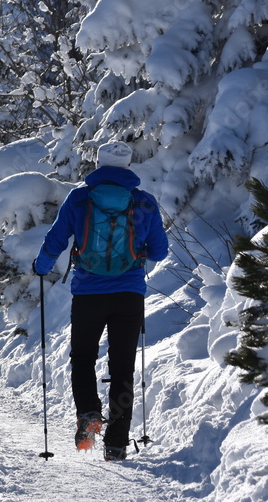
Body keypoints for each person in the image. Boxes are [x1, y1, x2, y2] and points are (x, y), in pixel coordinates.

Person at [33, 141, 168, 461]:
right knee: (122, 368)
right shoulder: (145, 202)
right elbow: (160, 252)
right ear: (128, 165)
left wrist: (40, 266)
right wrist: (137, 255)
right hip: (129, 294)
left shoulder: (80, 198)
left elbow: (56, 239)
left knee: (82, 358)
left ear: (99, 163)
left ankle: (90, 414)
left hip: (88, 294)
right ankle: (116, 443)